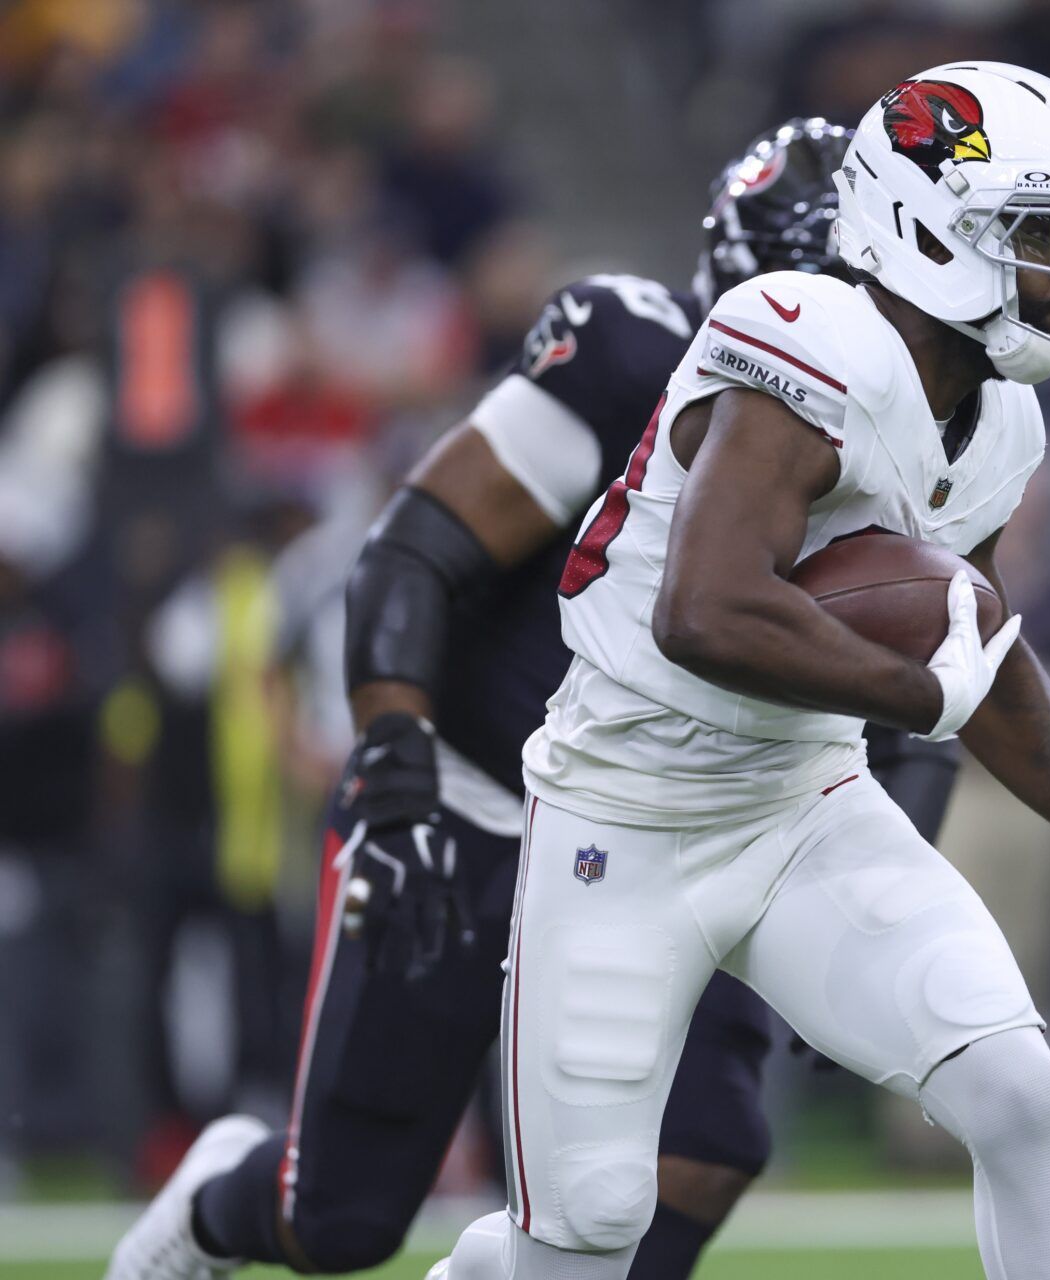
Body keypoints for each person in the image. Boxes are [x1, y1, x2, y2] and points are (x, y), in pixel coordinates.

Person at [106, 118, 969, 1280]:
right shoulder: (629, 354)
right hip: (485, 799)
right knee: (344, 1214)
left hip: (682, 822)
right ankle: (214, 1202)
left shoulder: (921, 423)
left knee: (702, 1151)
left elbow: (934, 692)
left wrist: (870, 890)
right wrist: (396, 735)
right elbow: (414, 546)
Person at [432, 62, 1050, 1280]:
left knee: (1016, 1087)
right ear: (925, 223)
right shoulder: (805, 334)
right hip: (624, 818)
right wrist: (914, 698)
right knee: (586, 1232)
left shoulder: (1003, 417)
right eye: (1041, 237)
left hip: (805, 801)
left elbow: (975, 638)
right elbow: (706, 611)